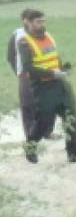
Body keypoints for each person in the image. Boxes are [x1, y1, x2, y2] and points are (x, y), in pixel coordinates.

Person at [16, 9, 76, 163]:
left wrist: (63, 68)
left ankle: (73, 153)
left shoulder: (49, 36)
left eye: (43, 21)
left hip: (60, 85)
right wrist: (52, 73)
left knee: (71, 119)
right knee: (43, 123)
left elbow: (54, 58)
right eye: (38, 22)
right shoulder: (24, 42)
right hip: (43, 89)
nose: (42, 24)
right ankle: (30, 147)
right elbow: (28, 68)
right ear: (28, 23)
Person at [6, 10, 42, 159]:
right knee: (28, 110)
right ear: (25, 21)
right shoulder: (18, 35)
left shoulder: (41, 34)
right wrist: (19, 73)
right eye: (32, 20)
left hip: (41, 76)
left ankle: (44, 133)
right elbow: (10, 56)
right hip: (25, 77)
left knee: (42, 107)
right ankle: (31, 147)